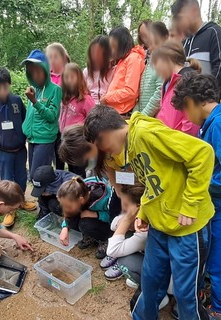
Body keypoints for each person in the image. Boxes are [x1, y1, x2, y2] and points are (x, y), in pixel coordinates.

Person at [83, 105, 214, 320]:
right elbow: (153, 182)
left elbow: (203, 153)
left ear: (105, 135)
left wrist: (190, 204)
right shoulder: (129, 146)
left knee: (185, 295)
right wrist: (144, 211)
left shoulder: (147, 134)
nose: (104, 152)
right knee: (150, 283)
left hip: (187, 229)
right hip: (159, 225)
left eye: (101, 145)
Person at [172, 73, 221, 319]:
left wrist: (200, 184)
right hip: (214, 205)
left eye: (184, 110)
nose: (184, 116)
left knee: (216, 259)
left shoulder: (219, 124)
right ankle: (205, 294)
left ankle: (217, 309)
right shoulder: (211, 123)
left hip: (219, 205)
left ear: (192, 101)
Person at [0, 67, 36, 227]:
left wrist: (25, 135)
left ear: (9, 85)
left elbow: (25, 119)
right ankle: (10, 210)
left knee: (21, 177)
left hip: (20, 149)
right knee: (6, 180)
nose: (2, 91)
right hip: (3, 151)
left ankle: (21, 201)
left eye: (5, 87)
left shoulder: (17, 100)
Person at [22, 49, 62, 180]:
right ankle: (44, 198)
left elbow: (52, 116)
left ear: (45, 70)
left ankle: (49, 199)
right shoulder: (34, 90)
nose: (35, 75)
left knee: (38, 176)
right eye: (31, 71)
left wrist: (34, 101)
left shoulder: (55, 90)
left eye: (38, 70)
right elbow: (30, 114)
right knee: (35, 177)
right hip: (32, 138)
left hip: (45, 139)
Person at [152, 40, 201, 136]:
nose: (156, 70)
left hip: (178, 143)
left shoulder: (188, 80)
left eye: (157, 64)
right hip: (166, 140)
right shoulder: (167, 82)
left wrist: (177, 142)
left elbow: (191, 124)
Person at [100, 183, 146, 285]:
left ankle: (144, 284)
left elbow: (112, 250)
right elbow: (113, 225)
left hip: (155, 264)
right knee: (123, 232)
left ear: (138, 208)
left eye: (126, 205)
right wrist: (127, 219)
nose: (123, 209)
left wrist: (127, 220)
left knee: (124, 261)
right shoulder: (139, 217)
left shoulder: (144, 230)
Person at [58, 176, 112, 259]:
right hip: (87, 213)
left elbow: (113, 217)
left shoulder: (104, 199)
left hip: (107, 223)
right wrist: (65, 227)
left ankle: (104, 240)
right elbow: (68, 213)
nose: (66, 209)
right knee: (72, 218)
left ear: (81, 200)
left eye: (68, 206)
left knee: (86, 224)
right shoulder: (77, 191)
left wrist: (96, 214)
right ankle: (90, 236)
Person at [171, 0, 221, 89]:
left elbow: (219, 67)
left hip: (207, 100)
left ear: (194, 11)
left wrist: (205, 94)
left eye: (180, 17)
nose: (178, 22)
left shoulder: (214, 33)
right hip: (185, 100)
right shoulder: (184, 42)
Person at [58, 63, 95, 176]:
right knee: (71, 172)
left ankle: (84, 191)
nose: (69, 80)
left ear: (79, 78)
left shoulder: (86, 99)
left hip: (79, 145)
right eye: (66, 77)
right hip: (67, 142)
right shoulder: (65, 98)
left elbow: (93, 121)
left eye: (72, 77)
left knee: (80, 173)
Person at [100, 27, 145, 116]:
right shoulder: (123, 60)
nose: (112, 50)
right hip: (115, 110)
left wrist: (107, 98)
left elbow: (130, 91)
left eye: (113, 46)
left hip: (123, 112)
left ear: (121, 44)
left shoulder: (133, 58)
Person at [133, 21, 169, 117]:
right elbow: (141, 95)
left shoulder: (164, 60)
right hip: (143, 117)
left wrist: (142, 116)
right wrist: (135, 115)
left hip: (154, 118)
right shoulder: (148, 61)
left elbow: (159, 93)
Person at [46, 43, 70, 170]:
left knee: (70, 153)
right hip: (51, 122)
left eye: (55, 56)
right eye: (49, 57)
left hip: (68, 120)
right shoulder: (45, 77)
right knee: (56, 154)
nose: (52, 60)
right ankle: (59, 178)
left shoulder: (69, 74)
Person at [83, 35, 114, 104]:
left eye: (99, 52)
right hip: (89, 107)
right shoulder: (86, 72)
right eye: (93, 51)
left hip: (108, 108)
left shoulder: (114, 71)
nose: (95, 55)